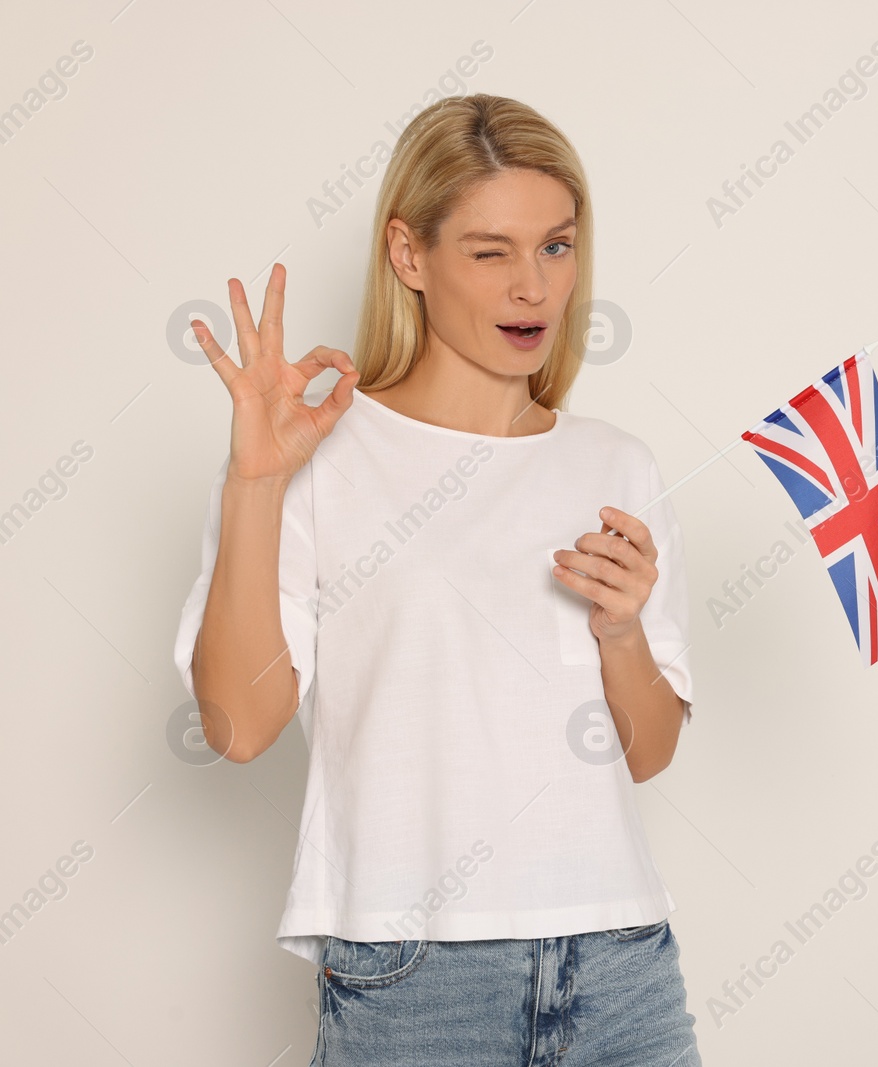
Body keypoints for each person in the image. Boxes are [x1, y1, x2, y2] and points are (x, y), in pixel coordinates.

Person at [172, 94, 701, 1066]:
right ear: (409, 256)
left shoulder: (616, 462)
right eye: (490, 251)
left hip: (621, 959)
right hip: (413, 979)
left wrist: (622, 633)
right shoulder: (315, 453)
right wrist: (256, 483)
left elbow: (650, 749)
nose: (532, 287)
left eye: (556, 246)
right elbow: (240, 726)